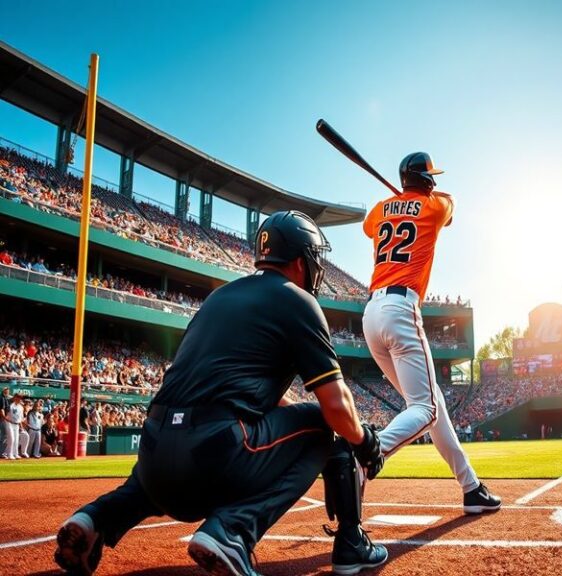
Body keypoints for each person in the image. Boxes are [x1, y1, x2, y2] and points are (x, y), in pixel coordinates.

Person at [55, 211, 388, 576]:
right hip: (215, 457)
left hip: (153, 455)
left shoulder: (218, 298)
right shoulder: (298, 301)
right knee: (321, 428)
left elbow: (238, 388)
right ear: (300, 260)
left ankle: (94, 519)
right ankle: (234, 531)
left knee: (166, 465)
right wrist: (364, 441)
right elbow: (337, 406)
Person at [361, 152, 501, 513]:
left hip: (371, 315)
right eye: (431, 177)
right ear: (425, 180)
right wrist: (413, 201)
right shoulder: (436, 206)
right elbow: (449, 205)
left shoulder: (380, 209)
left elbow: (369, 225)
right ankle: (365, 454)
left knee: (432, 404)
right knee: (425, 407)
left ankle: (471, 487)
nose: (435, 182)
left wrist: (398, 203)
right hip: (401, 309)